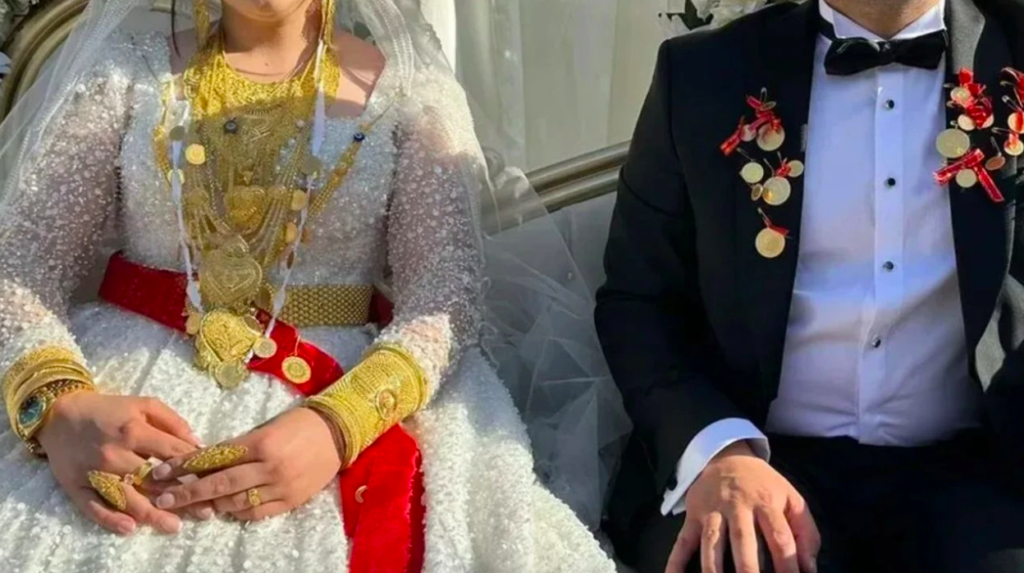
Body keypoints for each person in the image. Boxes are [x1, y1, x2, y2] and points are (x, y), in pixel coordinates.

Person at [0, 0, 620, 570]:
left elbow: (446, 296)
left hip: (336, 396)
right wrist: (58, 409)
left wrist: (339, 425)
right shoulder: (121, 77)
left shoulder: (409, 95)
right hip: (118, 400)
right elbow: (21, 265)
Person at [596, 0, 1024, 571]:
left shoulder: (1013, 52)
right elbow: (638, 299)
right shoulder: (704, 74)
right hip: (760, 458)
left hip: (981, 465)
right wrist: (718, 448)